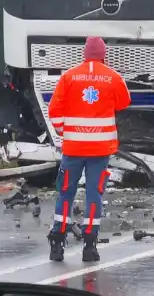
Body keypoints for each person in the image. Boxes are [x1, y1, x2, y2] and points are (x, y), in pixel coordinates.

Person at [46, 36, 131, 263]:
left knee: (66, 192)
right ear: (104, 55)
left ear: (84, 54)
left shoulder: (69, 77)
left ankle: (57, 243)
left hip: (73, 148)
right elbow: (124, 102)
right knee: (94, 193)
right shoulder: (114, 78)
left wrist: (66, 131)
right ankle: (90, 246)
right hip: (100, 150)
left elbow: (54, 110)